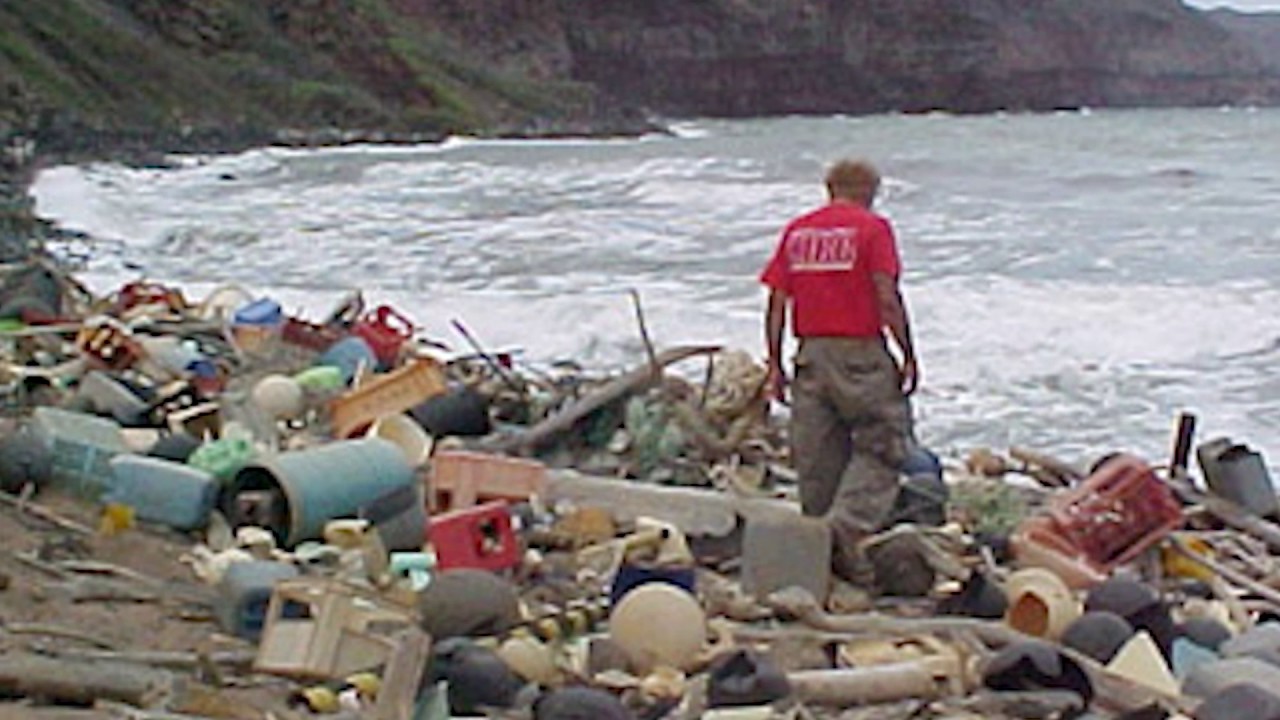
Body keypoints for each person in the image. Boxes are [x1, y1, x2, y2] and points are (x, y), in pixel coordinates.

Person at [759, 159, 919, 584]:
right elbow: (886, 295)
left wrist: (774, 362)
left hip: (810, 353)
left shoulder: (798, 231)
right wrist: (907, 352)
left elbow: (777, 302)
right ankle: (845, 528)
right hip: (859, 353)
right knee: (883, 443)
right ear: (867, 190)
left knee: (817, 456)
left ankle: (819, 554)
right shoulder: (872, 229)